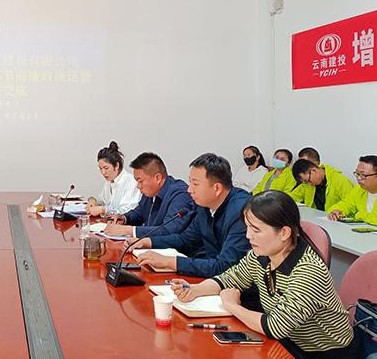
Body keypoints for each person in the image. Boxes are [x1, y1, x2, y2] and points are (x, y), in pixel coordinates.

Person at [170, 191, 357, 359]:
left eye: (256, 230)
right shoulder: (262, 255)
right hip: (287, 342)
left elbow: (276, 326)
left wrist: (232, 305)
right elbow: (229, 278)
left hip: (323, 352)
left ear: (284, 233)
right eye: (247, 228)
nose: (248, 236)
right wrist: (194, 290)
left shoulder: (309, 271)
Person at [132, 153, 251, 278]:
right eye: (190, 182)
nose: (189, 190)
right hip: (211, 277)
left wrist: (170, 262)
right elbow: (187, 240)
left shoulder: (241, 212)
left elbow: (224, 266)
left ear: (217, 188)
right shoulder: (205, 205)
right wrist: (148, 242)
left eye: (195, 184)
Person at [103, 152, 195, 238]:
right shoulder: (151, 191)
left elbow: (168, 231)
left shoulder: (180, 195)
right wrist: (124, 218)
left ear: (158, 178)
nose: (138, 186)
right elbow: (139, 213)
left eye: (140, 181)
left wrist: (128, 230)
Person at [85, 141, 140, 217]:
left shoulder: (131, 182)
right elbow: (103, 201)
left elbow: (127, 211)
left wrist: (103, 210)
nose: (103, 172)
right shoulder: (110, 180)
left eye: (106, 168)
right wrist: (93, 201)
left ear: (117, 165)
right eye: (100, 168)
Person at [328, 155, 377, 225]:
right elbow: (347, 203)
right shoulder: (359, 189)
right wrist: (336, 210)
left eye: (363, 175)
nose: (359, 178)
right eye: (357, 174)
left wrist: (358, 216)